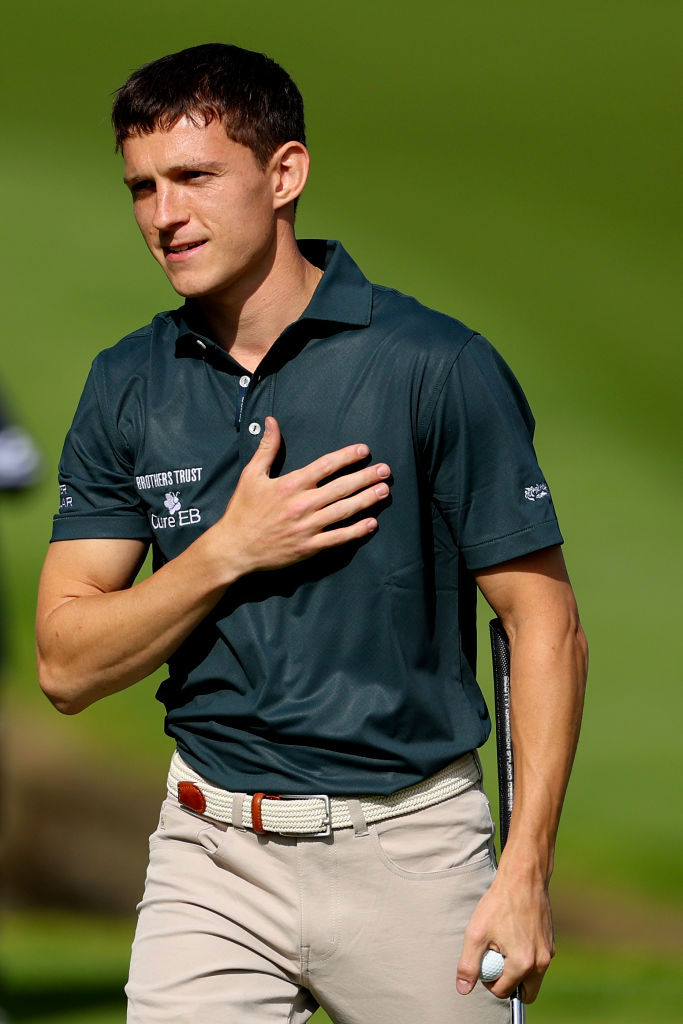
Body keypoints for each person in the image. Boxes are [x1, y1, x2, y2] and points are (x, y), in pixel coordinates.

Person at [36, 43, 587, 1024]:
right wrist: (225, 551)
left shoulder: (435, 364)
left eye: (195, 177)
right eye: (142, 187)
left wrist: (524, 869)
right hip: (211, 855)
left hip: (413, 850)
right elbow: (66, 664)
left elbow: (540, 625)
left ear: (284, 172)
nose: (164, 215)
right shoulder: (127, 383)